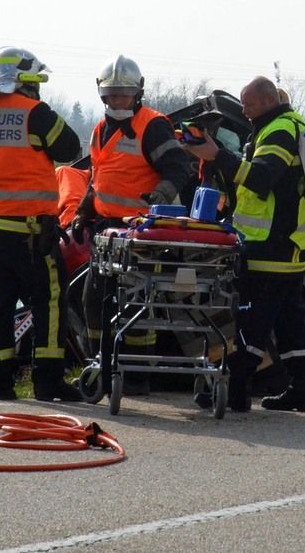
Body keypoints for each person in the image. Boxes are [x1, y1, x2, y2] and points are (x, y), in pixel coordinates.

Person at [184, 76, 305, 411]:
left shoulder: (278, 130)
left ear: (268, 101)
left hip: (273, 245)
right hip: (292, 244)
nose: (244, 111)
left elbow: (261, 179)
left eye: (248, 105)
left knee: (253, 318)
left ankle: (236, 389)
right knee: (289, 319)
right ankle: (302, 388)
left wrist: (218, 155)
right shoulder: (292, 126)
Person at [0, 46, 82, 402]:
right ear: (23, 81)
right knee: (49, 299)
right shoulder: (35, 113)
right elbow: (70, 149)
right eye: (35, 82)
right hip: (28, 228)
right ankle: (48, 381)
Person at [72, 55, 192, 395]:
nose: (117, 100)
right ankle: (101, 367)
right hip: (107, 231)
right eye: (111, 94)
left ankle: (137, 376)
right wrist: (82, 211)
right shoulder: (100, 129)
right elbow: (98, 178)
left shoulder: (153, 125)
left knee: (137, 303)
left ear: (137, 92)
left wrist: (159, 196)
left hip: (142, 231)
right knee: (94, 298)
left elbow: (179, 167)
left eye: (123, 94)